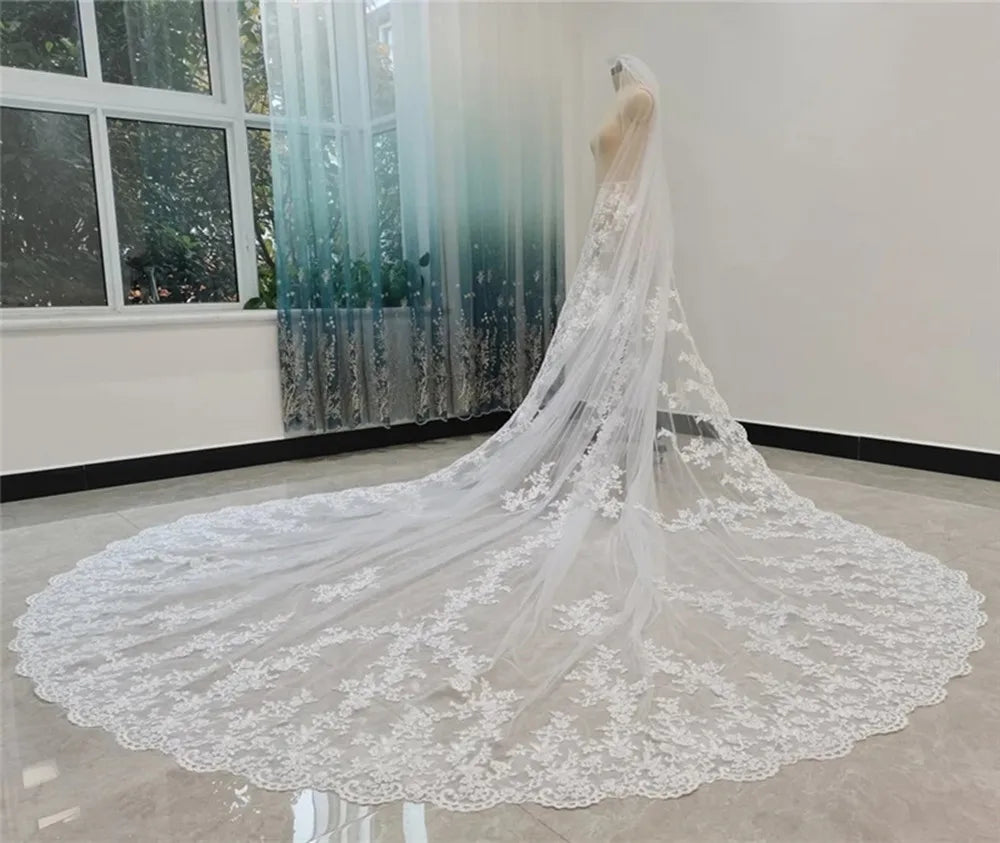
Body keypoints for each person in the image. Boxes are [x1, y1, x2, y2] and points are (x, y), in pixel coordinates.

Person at [12, 55, 984, 811]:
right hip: (602, 267)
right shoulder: (625, 98)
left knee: (608, 390)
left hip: (620, 270)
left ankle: (600, 478)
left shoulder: (641, 97)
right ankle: (578, 471)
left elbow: (631, 195)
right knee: (571, 399)